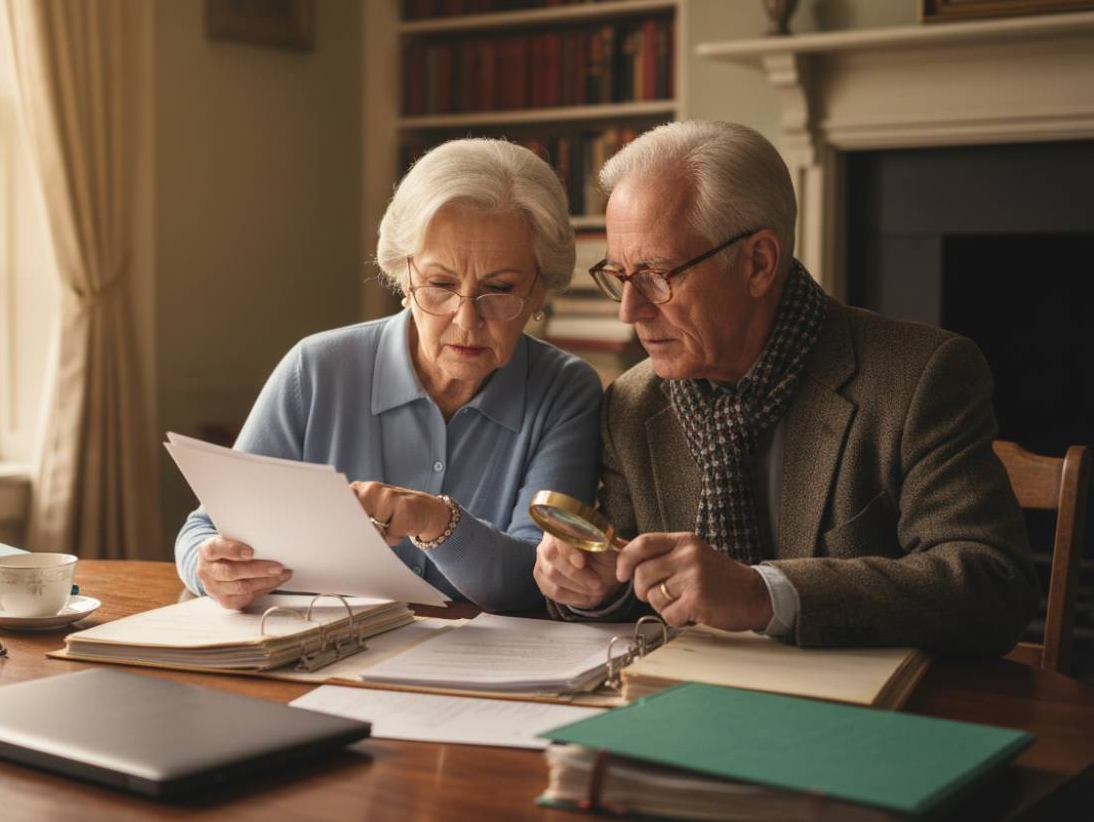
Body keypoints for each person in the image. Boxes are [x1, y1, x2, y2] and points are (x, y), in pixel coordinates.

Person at [533, 120, 1038, 653]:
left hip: (871, 718)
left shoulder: (922, 376)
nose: (629, 312)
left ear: (758, 262)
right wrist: (593, 589)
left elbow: (992, 587)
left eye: (657, 275)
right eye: (619, 277)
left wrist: (765, 593)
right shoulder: (631, 405)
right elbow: (634, 593)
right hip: (685, 705)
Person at [176, 139, 602, 613]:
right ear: (403, 275)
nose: (466, 320)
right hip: (317, 657)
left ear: (540, 288)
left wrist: (435, 520)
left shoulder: (566, 392)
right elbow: (204, 531)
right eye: (440, 284)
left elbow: (537, 583)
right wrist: (211, 569)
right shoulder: (315, 370)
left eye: (499, 289)